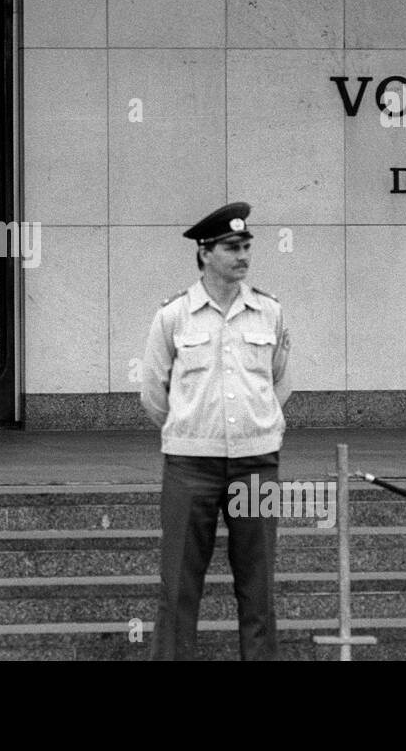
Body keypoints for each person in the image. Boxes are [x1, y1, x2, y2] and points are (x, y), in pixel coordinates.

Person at [140, 202, 292, 660]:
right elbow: (153, 392)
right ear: (205, 253)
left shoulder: (269, 312)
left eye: (246, 246)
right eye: (232, 247)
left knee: (258, 582)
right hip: (191, 466)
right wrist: (191, 428)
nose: (242, 255)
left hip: (256, 464)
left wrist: (257, 423)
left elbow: (279, 381)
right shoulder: (174, 316)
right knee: (180, 585)